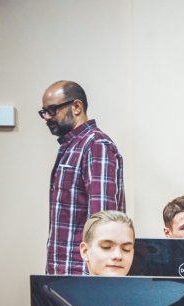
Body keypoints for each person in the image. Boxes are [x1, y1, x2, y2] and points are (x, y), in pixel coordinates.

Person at [40, 81, 126, 275]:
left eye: (52, 110)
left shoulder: (96, 145)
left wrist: (95, 280)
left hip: (83, 276)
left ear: (77, 107)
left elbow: (103, 223)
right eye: (44, 112)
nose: (47, 117)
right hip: (62, 271)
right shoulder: (72, 146)